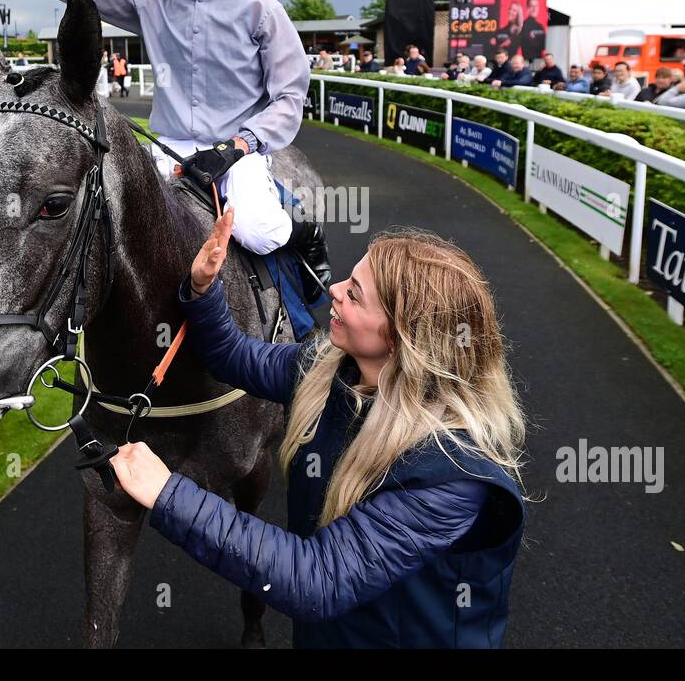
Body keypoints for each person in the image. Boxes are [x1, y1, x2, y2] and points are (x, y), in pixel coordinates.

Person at [108, 215, 528, 648]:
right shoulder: (329, 371)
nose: (334, 289)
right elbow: (233, 356)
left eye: (355, 294)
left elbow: (318, 579)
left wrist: (167, 493)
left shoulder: (452, 477)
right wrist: (202, 289)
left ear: (404, 337)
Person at [36, 0, 330, 296]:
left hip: (238, 151)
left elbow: (291, 96)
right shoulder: (149, 1)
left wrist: (239, 145)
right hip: (166, 145)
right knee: (100, 226)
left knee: (255, 228)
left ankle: (304, 235)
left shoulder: (261, 6)